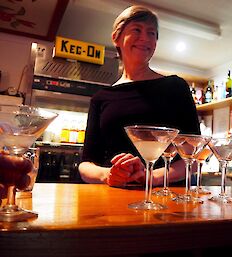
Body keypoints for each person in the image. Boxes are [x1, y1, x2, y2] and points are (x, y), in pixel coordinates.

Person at [78, 5, 200, 188]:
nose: (145, 38)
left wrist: (152, 177)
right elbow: (86, 164)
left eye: (152, 33)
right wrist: (108, 174)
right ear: (116, 38)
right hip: (114, 197)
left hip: (166, 199)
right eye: (137, 29)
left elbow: (193, 155)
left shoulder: (175, 87)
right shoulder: (101, 98)